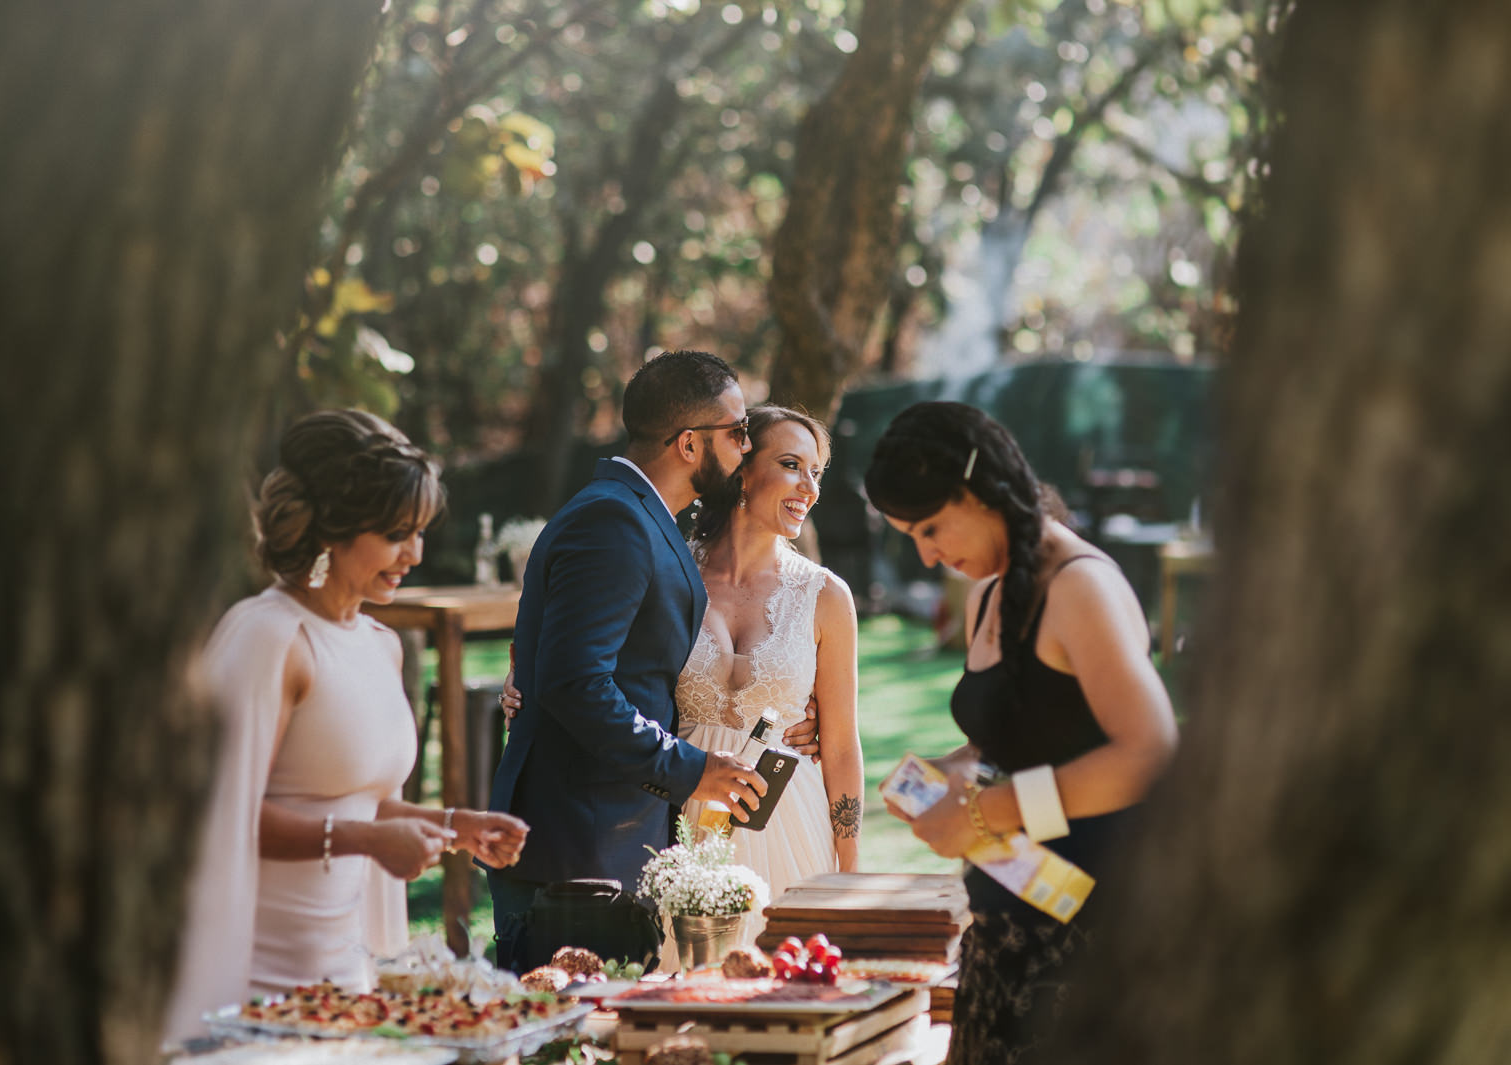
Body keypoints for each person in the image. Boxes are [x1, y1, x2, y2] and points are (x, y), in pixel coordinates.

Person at [164, 410, 528, 1040]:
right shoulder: (269, 636)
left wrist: (453, 826)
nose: (415, 554)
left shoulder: (380, 642)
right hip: (258, 979)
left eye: (418, 533)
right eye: (395, 534)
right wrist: (363, 842)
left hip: (347, 973)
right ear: (330, 532)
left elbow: (362, 801)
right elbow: (220, 814)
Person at [865, 401, 1178, 1065]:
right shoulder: (991, 590)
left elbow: (1148, 753)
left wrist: (984, 810)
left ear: (977, 492)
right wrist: (953, 771)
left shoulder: (1080, 586)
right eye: (911, 538)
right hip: (1004, 930)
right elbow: (1025, 737)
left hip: (1089, 947)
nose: (927, 557)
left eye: (930, 528)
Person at [501, 407, 864, 960]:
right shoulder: (666, 569)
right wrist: (520, 685)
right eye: (792, 465)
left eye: (817, 471)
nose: (809, 487)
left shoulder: (826, 596)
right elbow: (588, 668)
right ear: (741, 467)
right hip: (672, 816)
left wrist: (850, 871)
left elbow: (840, 744)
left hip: (789, 818)